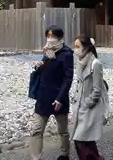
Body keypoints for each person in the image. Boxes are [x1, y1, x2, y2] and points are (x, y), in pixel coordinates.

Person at [29, 26, 74, 160]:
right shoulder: (47, 51)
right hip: (43, 97)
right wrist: (38, 67)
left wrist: (60, 98)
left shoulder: (66, 54)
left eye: (52, 36)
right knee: (36, 130)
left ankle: (65, 154)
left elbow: (68, 78)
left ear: (60, 38)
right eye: (47, 36)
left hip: (59, 98)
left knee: (63, 131)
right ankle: (35, 157)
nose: (49, 39)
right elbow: (45, 70)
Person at [71, 35, 107, 160]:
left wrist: (86, 104)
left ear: (85, 47)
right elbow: (79, 84)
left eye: (77, 46)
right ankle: (97, 157)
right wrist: (75, 99)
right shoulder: (80, 62)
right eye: (74, 46)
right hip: (79, 106)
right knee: (84, 139)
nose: (75, 49)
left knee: (80, 138)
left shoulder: (95, 64)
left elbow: (97, 89)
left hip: (89, 108)